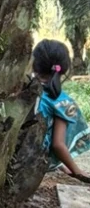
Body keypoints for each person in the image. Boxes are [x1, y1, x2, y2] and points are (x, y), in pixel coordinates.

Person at [33, 39, 90, 182]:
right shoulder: (61, 101)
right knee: (70, 111)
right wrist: (78, 172)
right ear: (63, 68)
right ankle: (54, 162)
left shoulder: (24, 90)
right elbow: (58, 145)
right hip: (34, 158)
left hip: (13, 153)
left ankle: (57, 163)